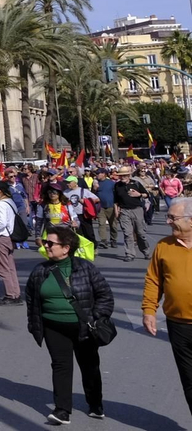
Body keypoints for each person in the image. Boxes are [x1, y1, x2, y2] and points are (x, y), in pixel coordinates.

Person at [26, 225, 113, 424]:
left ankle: (95, 404)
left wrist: (96, 317)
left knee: (89, 366)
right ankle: (62, 410)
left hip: (84, 327)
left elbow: (105, 295)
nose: (45, 245)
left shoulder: (86, 268)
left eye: (50, 243)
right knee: (60, 366)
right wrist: (33, 323)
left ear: (66, 248)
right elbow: (31, 299)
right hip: (53, 327)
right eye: (46, 242)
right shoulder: (40, 270)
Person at [143, 196, 192, 421]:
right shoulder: (164, 246)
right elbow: (154, 280)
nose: (168, 221)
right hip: (178, 324)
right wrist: (149, 311)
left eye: (173, 218)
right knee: (189, 381)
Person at [0, 180, 24, 306]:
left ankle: (11, 294)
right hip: (9, 237)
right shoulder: (9, 202)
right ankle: (15, 293)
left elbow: (0, 223)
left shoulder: (0, 204)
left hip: (1, 237)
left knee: (2, 267)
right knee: (10, 267)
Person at [115, 166, 152, 260]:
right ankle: (130, 254)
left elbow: (146, 194)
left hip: (137, 209)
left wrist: (139, 194)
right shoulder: (117, 185)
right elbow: (115, 200)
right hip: (124, 211)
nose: (122, 177)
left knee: (140, 233)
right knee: (127, 233)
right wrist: (116, 211)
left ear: (128, 175)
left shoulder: (136, 183)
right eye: (121, 176)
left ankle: (146, 251)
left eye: (124, 175)